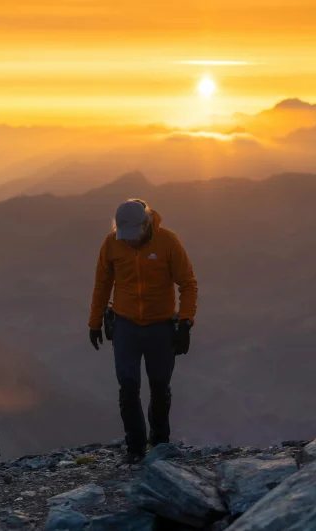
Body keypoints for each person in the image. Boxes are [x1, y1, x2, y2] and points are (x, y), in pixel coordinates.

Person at [88, 199, 198, 464]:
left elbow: (187, 283)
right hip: (125, 325)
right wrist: (94, 322)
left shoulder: (168, 242)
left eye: (133, 236)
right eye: (124, 236)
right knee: (128, 387)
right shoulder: (112, 243)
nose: (129, 242)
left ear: (147, 225)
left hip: (160, 326)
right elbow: (102, 284)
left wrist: (185, 322)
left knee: (160, 387)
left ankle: (159, 443)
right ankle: (135, 448)